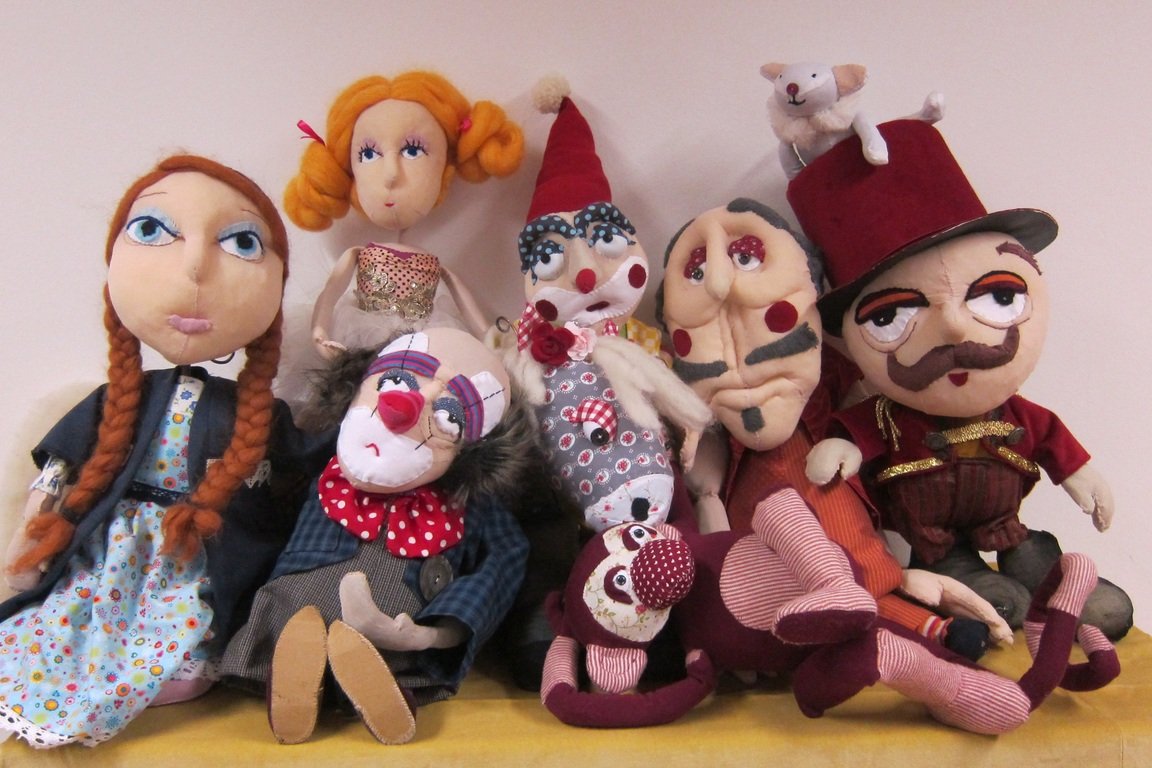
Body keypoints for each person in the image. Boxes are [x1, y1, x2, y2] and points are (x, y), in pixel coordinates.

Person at [0, 155, 328, 748]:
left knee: (182, 613)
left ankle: (176, 663)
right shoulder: (119, 398)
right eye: (153, 230)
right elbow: (59, 468)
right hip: (113, 545)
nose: (196, 267)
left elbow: (301, 477)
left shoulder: (259, 414)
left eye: (241, 242)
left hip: (195, 552)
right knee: (73, 614)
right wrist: (33, 527)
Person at [794, 119, 1133, 640]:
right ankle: (976, 580)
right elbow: (852, 437)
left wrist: (1081, 475)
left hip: (1009, 528)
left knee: (1049, 570)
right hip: (937, 546)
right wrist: (842, 447)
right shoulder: (887, 416)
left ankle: (1046, 573)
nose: (953, 329)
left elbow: (1051, 438)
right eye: (890, 317)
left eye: (998, 296)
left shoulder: (1016, 413)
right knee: (989, 595)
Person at [658, 197, 1009, 659]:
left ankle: (929, 629)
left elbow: (870, 409)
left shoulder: (828, 372)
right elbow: (701, 471)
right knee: (790, 576)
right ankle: (919, 628)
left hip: (824, 482)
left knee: (858, 565)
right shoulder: (704, 408)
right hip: (753, 515)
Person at [220, 329, 532, 746]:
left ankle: (364, 685)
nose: (403, 409)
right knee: (297, 625)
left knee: (377, 651)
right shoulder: (323, 459)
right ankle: (301, 675)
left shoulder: (466, 504)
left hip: (393, 629)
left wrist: (441, 631)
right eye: (395, 381)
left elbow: (506, 556)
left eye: (448, 416)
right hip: (296, 599)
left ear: (473, 454)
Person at [284, 70, 524, 365]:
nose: (390, 174)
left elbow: (473, 315)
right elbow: (331, 292)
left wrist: (494, 343)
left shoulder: (438, 268)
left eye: (412, 150)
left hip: (425, 342)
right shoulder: (357, 255)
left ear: (444, 169)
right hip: (362, 341)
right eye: (368, 154)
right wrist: (320, 331)